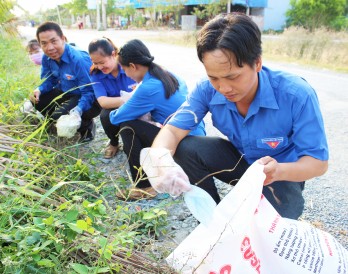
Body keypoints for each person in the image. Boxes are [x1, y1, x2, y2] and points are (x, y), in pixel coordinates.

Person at [147, 13, 329, 220]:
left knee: (271, 227)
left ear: (257, 63)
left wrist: (278, 171)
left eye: (232, 77)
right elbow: (172, 130)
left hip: (280, 173)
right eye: (214, 77)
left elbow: (318, 163)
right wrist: (160, 160)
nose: (223, 88)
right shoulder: (207, 90)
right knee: (186, 148)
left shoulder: (296, 94)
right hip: (241, 160)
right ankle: (213, 221)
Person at [110, 39, 206, 199]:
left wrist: (131, 99)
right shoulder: (167, 74)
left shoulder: (148, 87)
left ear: (133, 66)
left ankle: (144, 187)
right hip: (198, 137)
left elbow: (115, 118)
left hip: (183, 143)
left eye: (125, 69)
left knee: (127, 126)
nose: (126, 74)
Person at [29, 21, 101, 142]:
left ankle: (86, 125)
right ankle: (57, 120)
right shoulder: (47, 58)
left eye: (53, 41)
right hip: (65, 91)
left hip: (87, 97)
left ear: (63, 38)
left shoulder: (78, 59)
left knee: (60, 115)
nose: (50, 48)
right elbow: (49, 80)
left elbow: (90, 92)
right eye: (44, 43)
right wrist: (39, 90)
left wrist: (78, 110)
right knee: (36, 100)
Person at [88, 37, 136, 158]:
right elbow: (103, 102)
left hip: (137, 107)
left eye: (102, 62)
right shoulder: (96, 74)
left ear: (113, 54)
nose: (99, 67)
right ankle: (114, 143)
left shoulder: (129, 65)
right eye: (95, 63)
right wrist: (129, 99)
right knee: (105, 116)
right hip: (120, 107)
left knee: (131, 145)